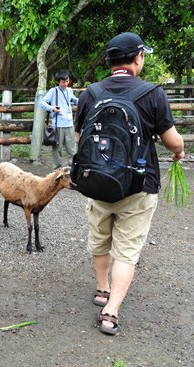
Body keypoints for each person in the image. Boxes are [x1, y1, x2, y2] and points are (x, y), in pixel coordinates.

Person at [75, 32, 184, 335]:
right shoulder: (152, 93)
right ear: (137, 58)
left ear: (110, 62)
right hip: (139, 185)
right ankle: (111, 312)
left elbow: (81, 140)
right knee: (127, 249)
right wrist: (179, 151)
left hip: (96, 182)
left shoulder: (90, 93)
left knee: (99, 238)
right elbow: (171, 139)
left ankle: (101, 289)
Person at [40, 70, 79, 170]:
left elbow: (75, 100)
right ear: (58, 82)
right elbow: (42, 103)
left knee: (72, 149)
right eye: (63, 82)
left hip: (70, 124)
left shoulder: (69, 90)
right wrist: (52, 108)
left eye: (67, 81)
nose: (65, 84)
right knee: (57, 150)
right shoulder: (53, 91)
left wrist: (84, 100)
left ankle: (74, 170)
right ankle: (57, 170)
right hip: (58, 125)